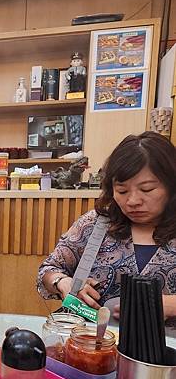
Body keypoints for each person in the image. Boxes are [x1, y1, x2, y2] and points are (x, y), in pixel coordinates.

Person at [37, 131, 176, 327]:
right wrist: (63, 283)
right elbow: (48, 269)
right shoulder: (96, 224)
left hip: (164, 353)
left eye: (147, 189)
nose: (133, 201)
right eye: (122, 191)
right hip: (90, 347)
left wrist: (169, 305)